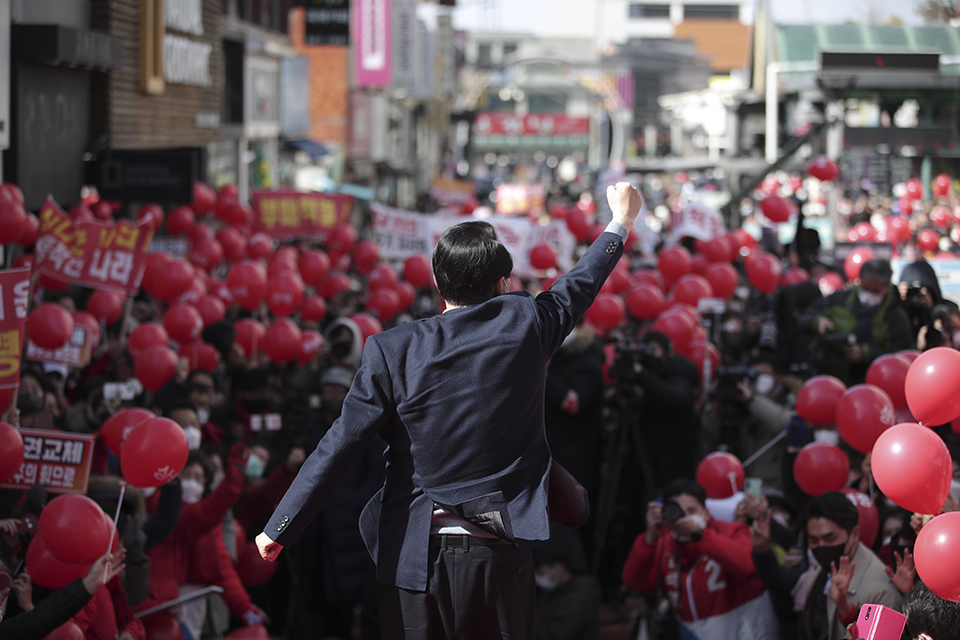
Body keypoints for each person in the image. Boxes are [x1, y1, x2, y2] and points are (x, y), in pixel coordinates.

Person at [256, 182, 644, 639]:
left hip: (413, 558)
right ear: (503, 285)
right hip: (498, 554)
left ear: (437, 283)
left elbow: (340, 443)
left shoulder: (391, 350)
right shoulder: (528, 326)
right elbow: (580, 283)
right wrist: (621, 220)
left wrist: (279, 527)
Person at [621, 480, 780, 639]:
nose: (685, 517)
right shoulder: (666, 545)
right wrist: (649, 538)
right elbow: (636, 581)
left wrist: (700, 535)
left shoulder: (732, 531)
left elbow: (748, 567)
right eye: (678, 511)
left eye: (691, 510)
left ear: (705, 511)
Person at [750, 491, 902, 640]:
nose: (821, 547)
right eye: (814, 541)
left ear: (854, 535)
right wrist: (761, 550)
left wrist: (846, 611)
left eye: (830, 539)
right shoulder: (822, 570)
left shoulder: (880, 592)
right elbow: (781, 581)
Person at [801, 259, 912, 384]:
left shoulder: (896, 316)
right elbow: (805, 317)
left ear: (887, 287)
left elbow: (899, 355)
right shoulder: (838, 300)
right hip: (833, 377)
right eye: (865, 288)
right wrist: (818, 322)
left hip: (874, 381)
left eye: (875, 291)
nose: (869, 295)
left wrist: (865, 353)